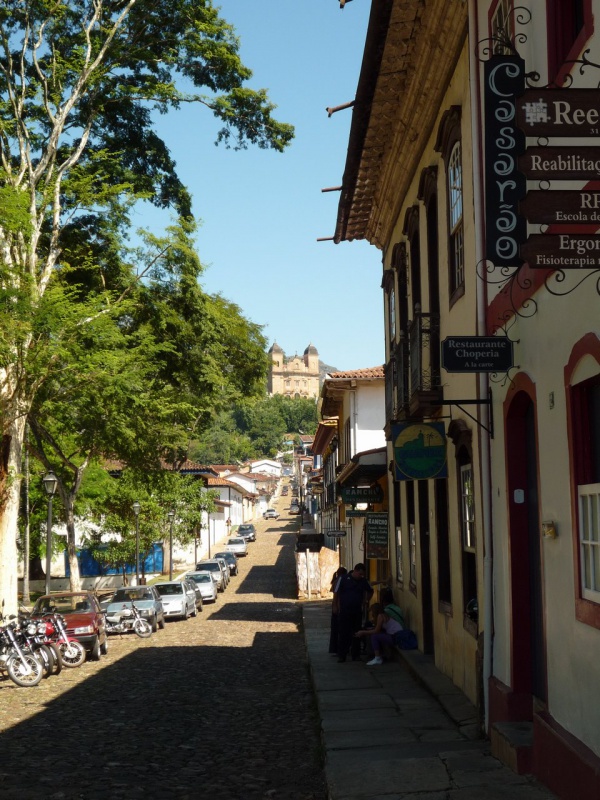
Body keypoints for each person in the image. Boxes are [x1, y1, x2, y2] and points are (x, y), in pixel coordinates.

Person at [335, 563, 373, 662]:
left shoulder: (363, 581)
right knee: (343, 632)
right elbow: (336, 592)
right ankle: (342, 655)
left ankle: (356, 654)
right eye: (360, 574)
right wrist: (335, 606)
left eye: (362, 574)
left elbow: (370, 590)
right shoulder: (343, 578)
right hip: (344, 610)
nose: (361, 576)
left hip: (357, 611)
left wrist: (366, 601)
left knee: (357, 632)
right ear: (355, 571)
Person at [328, 566, 347, 654]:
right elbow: (336, 594)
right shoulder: (340, 581)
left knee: (335, 629)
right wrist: (336, 606)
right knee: (339, 629)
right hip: (339, 607)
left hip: (336, 606)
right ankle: (338, 649)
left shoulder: (336, 581)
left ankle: (335, 648)